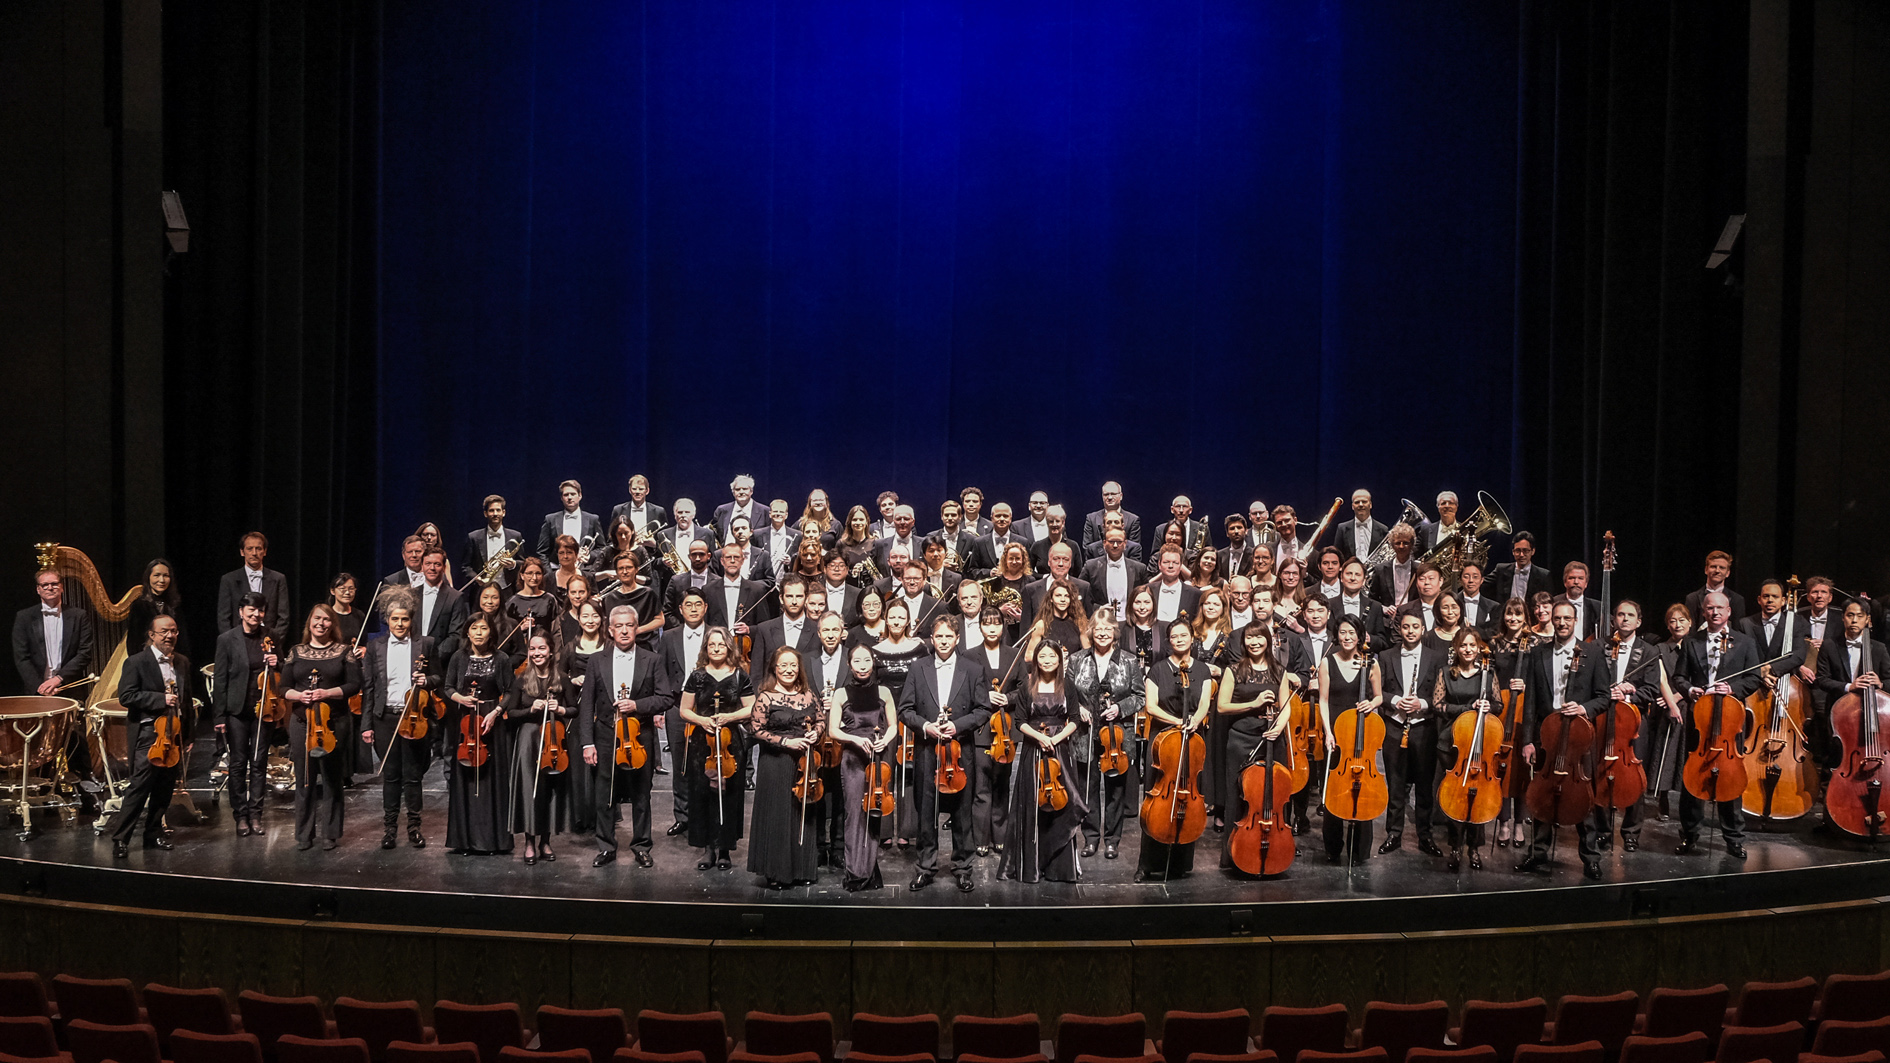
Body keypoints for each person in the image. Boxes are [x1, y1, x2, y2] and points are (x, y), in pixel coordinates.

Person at [1514, 601, 1611, 878]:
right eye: (1558, 618)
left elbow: (1604, 697)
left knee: (1583, 798)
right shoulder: (1538, 652)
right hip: (1548, 734)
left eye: (1567, 618)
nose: (1562, 623)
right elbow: (1531, 701)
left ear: (1575, 620)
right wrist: (1529, 740)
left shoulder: (1592, 653)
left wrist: (1583, 709)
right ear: (1552, 621)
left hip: (1580, 737)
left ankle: (1590, 857)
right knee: (1543, 795)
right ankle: (1538, 853)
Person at [898, 615, 991, 892]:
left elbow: (983, 709)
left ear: (957, 638)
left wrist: (957, 726)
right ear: (932, 639)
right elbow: (905, 709)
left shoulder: (973, 669)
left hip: (960, 751)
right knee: (926, 810)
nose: (943, 642)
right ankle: (925, 867)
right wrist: (925, 727)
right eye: (939, 637)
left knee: (962, 811)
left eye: (949, 637)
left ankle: (962, 867)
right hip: (928, 750)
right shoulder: (918, 667)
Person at [1669, 591, 1760, 860]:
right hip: (1701, 719)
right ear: (1703, 612)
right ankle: (1689, 834)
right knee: (1693, 776)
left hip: (1730, 720)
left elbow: (1754, 678)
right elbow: (1679, 677)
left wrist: (1732, 688)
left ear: (1729, 611)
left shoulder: (1745, 643)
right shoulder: (1691, 642)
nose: (1715, 612)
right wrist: (1690, 690)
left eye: (1720, 608)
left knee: (1730, 777)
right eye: (1710, 608)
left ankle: (1733, 838)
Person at [580, 606, 672, 868]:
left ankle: (642, 846)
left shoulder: (652, 659)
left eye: (629, 625)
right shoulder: (596, 660)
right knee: (604, 794)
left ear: (636, 628)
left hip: (640, 736)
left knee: (641, 794)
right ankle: (606, 847)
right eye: (618, 626)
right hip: (605, 736)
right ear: (610, 630)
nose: (623, 631)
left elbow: (665, 698)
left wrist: (637, 705)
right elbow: (587, 705)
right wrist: (587, 743)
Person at [999, 641, 1089, 883]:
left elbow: (1074, 719)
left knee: (1063, 805)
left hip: (1060, 750)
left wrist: (1056, 739)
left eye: (1052, 656)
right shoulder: (1027, 686)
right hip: (1034, 749)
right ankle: (1033, 866)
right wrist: (1040, 737)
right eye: (1042, 656)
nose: (1047, 660)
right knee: (1032, 805)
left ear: (1060, 659)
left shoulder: (1067, 685)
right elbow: (1020, 721)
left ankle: (1061, 867)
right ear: (1036, 659)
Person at [359, 590, 441, 850]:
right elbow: (369, 688)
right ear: (387, 619)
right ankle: (390, 829)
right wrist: (366, 725)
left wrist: (426, 680)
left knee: (413, 776)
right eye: (395, 619)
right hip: (385, 718)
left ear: (411, 619)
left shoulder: (425, 644)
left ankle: (414, 827)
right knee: (391, 776)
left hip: (414, 717)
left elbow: (438, 677)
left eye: (404, 619)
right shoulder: (375, 646)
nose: (400, 624)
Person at [104, 614, 190, 858]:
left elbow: (186, 701)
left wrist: (189, 736)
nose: (170, 636)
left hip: (173, 733)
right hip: (148, 733)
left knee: (164, 788)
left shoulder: (182, 662)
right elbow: (127, 696)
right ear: (152, 635)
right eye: (164, 632)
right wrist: (160, 699)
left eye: (173, 631)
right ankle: (121, 839)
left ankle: (153, 835)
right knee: (139, 786)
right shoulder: (136, 662)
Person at [1215, 622, 1298, 875]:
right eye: (1249, 638)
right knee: (1238, 797)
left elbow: (1286, 707)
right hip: (1241, 739)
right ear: (1243, 642)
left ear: (1267, 640)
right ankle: (1236, 855)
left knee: (1272, 797)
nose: (1254, 643)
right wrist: (1254, 703)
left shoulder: (1278, 671)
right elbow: (1222, 707)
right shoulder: (1234, 670)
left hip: (1272, 739)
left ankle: (1272, 853)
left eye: (1259, 637)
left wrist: (1278, 728)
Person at [280, 604, 363, 851]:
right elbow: (283, 688)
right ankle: (304, 834)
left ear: (333, 624)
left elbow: (354, 685)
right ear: (310, 622)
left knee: (332, 778)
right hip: (301, 723)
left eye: (327, 619)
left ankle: (330, 833)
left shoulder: (344, 651)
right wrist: (299, 695)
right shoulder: (296, 652)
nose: (321, 623)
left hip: (334, 722)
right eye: (317, 618)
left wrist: (327, 693)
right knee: (304, 778)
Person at [1138, 618, 1212, 882]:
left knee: (1186, 797)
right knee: (1156, 799)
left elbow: (1204, 703)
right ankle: (1147, 864)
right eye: (1174, 637)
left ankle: (1181, 862)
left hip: (1192, 738)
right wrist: (1178, 722)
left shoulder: (1202, 670)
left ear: (1192, 638)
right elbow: (1151, 707)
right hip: (1163, 740)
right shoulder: (1158, 670)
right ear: (1169, 641)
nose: (1179, 640)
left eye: (1183, 635)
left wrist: (1195, 721)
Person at [1067, 609, 1144, 861]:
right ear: (1091, 632)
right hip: (1085, 733)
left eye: (1107, 629)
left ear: (1114, 632)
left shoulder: (1129, 661)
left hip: (1117, 736)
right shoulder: (1077, 659)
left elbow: (1140, 696)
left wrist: (1120, 708)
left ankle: (1112, 840)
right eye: (1097, 629)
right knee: (1088, 787)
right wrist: (1078, 709)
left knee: (1115, 790)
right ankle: (1090, 838)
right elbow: (1067, 693)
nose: (1102, 633)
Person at [746, 646, 824, 889]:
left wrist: (816, 734)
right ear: (775, 668)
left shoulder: (808, 694)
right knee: (778, 814)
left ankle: (802, 868)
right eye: (783, 665)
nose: (789, 670)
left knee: (803, 813)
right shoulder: (766, 697)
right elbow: (756, 730)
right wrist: (785, 742)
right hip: (776, 763)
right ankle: (777, 872)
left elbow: (821, 719)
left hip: (804, 762)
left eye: (793, 665)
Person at [677, 627, 753, 871]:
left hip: (731, 743)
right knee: (703, 794)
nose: (717, 648)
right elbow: (684, 710)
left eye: (721, 644)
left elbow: (751, 708)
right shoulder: (697, 676)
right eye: (712, 645)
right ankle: (707, 849)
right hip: (703, 743)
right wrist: (702, 720)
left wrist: (729, 717)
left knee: (729, 794)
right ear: (706, 648)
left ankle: (725, 850)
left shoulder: (740, 675)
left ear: (729, 648)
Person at [1376, 609, 1447, 856]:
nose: (1410, 631)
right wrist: (1396, 700)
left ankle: (1425, 836)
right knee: (1395, 783)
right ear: (1399, 629)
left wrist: (1422, 703)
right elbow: (1377, 691)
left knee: (1424, 786)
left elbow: (1442, 692)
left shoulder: (1437, 657)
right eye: (1406, 627)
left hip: (1423, 727)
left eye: (1415, 627)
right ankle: (1394, 834)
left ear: (1423, 629)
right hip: (1394, 726)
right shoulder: (1386, 656)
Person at [829, 644, 898, 891]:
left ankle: (869, 869)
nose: (862, 666)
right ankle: (855, 871)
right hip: (853, 758)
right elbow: (833, 730)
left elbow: (893, 726)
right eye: (856, 661)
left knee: (873, 812)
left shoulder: (884, 692)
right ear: (849, 664)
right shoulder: (840, 694)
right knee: (853, 813)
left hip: (878, 758)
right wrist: (855, 739)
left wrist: (884, 741)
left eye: (866, 660)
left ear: (873, 662)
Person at [444, 612, 512, 855]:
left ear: (491, 631)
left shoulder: (501, 658)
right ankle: (465, 840)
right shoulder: (458, 657)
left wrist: (496, 712)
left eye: (483, 628)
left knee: (490, 781)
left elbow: (510, 691)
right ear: (467, 632)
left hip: (491, 723)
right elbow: (447, 687)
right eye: (474, 628)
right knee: (465, 779)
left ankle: (492, 841)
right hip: (466, 723)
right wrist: (460, 698)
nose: (479, 633)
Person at [1595, 600, 1660, 853]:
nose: (1624, 619)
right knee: (1601, 772)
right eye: (1620, 614)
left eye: (1630, 615)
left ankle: (1631, 832)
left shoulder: (1649, 651)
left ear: (1638, 621)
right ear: (1614, 619)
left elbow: (1652, 689)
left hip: (1634, 721)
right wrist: (1607, 691)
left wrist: (1630, 694)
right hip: (1603, 718)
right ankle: (1602, 831)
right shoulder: (1599, 646)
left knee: (1634, 776)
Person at [213, 591, 278, 837]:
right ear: (241, 612)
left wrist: (277, 662)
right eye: (251, 610)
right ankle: (240, 815)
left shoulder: (271, 636)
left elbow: (283, 668)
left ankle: (256, 814)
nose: (256, 614)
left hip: (264, 709)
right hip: (237, 711)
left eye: (260, 610)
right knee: (238, 764)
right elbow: (220, 679)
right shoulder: (227, 639)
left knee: (259, 763)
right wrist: (219, 716)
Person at [1319, 616, 1382, 863]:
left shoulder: (1371, 664)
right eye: (1343, 632)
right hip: (1336, 735)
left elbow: (1379, 697)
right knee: (1333, 790)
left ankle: (1359, 850)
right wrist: (1328, 732)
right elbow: (1323, 700)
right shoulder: (1327, 663)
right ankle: (1333, 847)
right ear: (1337, 635)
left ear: (1360, 636)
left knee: (1362, 788)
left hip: (1361, 734)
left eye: (1352, 633)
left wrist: (1372, 703)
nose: (1347, 637)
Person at [506, 633, 571, 864]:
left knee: (550, 790)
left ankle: (546, 841)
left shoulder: (562, 678)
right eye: (533, 649)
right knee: (529, 790)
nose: (537, 653)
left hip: (553, 740)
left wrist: (560, 710)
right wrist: (530, 710)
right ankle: (529, 842)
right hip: (529, 740)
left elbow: (574, 709)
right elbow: (511, 713)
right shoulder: (521, 679)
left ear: (551, 651)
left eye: (541, 648)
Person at [1433, 629, 1495, 870]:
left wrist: (1489, 706)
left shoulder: (1488, 674)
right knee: (1455, 796)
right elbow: (1438, 705)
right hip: (1452, 741)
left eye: (1472, 645)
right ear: (1456, 649)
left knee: (1478, 796)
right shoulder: (1446, 673)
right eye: (1463, 645)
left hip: (1480, 743)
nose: (1468, 649)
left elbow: (1499, 704)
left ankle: (1474, 847)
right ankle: (1456, 846)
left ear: (1479, 647)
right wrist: (1467, 708)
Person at [968, 607, 1022, 857]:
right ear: (980, 627)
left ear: (1003, 627)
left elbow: (1024, 688)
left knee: (1002, 784)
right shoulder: (969, 655)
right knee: (981, 786)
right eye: (987, 624)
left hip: (1006, 729)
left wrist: (1007, 698)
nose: (991, 628)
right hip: (981, 728)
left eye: (996, 624)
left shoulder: (1014, 654)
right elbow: (965, 688)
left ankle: (1000, 836)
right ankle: (980, 838)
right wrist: (985, 696)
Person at [559, 598, 608, 836]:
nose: (590, 620)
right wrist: (572, 680)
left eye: (595, 616)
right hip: (579, 711)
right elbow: (559, 677)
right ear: (578, 619)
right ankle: (581, 815)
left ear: (602, 619)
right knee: (580, 764)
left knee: (604, 764)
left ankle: (604, 816)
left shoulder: (610, 645)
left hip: (605, 710)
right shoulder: (570, 647)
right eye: (585, 616)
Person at [13, 568, 94, 696]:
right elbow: (22, 658)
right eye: (45, 585)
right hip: (37, 690)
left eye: (54, 584)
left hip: (70, 687)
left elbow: (85, 653)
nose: (50, 588)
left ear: (61, 587)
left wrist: (58, 679)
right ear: (38, 589)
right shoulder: (24, 617)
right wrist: (40, 688)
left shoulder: (79, 615)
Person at [216, 532, 290, 643]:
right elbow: (223, 618)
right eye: (250, 549)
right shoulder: (229, 580)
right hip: (239, 640)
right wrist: (233, 643)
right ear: (242, 552)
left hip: (268, 640)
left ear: (264, 551)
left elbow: (284, 617)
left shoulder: (278, 579)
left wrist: (273, 641)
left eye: (258, 549)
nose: (254, 553)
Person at [504, 557, 563, 657]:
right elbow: (505, 633)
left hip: (545, 651)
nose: (534, 577)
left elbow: (557, 630)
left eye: (538, 573)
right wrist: (520, 629)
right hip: (521, 653)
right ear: (522, 575)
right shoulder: (513, 602)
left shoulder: (550, 600)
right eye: (529, 573)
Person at [127, 558, 187, 657]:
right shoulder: (139, 605)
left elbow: (183, 640)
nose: (162, 580)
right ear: (148, 577)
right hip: (147, 659)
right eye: (157, 575)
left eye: (166, 575)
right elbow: (133, 642)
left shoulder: (175, 604)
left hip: (172, 658)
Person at [463, 495, 524, 591]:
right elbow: (466, 566)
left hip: (507, 588)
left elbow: (523, 563)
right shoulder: (474, 537)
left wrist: (513, 564)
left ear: (503, 512)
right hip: (482, 589)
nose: (495, 514)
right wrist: (476, 578)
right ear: (485, 513)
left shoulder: (515, 536)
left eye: (498, 510)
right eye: (491, 510)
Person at [535, 480, 603, 562]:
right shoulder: (550, 519)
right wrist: (550, 570)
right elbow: (542, 552)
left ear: (580, 495)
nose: (569, 497)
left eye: (573, 494)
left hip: (584, 568)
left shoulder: (593, 519)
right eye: (566, 495)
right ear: (561, 498)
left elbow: (602, 548)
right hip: (557, 568)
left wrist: (589, 556)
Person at [1684, 551, 1747, 628]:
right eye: (1713, 567)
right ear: (1706, 570)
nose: (1717, 571)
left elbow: (1738, 630)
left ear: (1728, 573)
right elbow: (1690, 630)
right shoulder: (1692, 599)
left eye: (1722, 568)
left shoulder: (1737, 600)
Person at [327, 573, 368, 648]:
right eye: (342, 589)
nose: (347, 592)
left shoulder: (359, 615)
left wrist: (363, 649)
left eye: (351, 589)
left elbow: (363, 643)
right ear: (332, 591)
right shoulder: (326, 614)